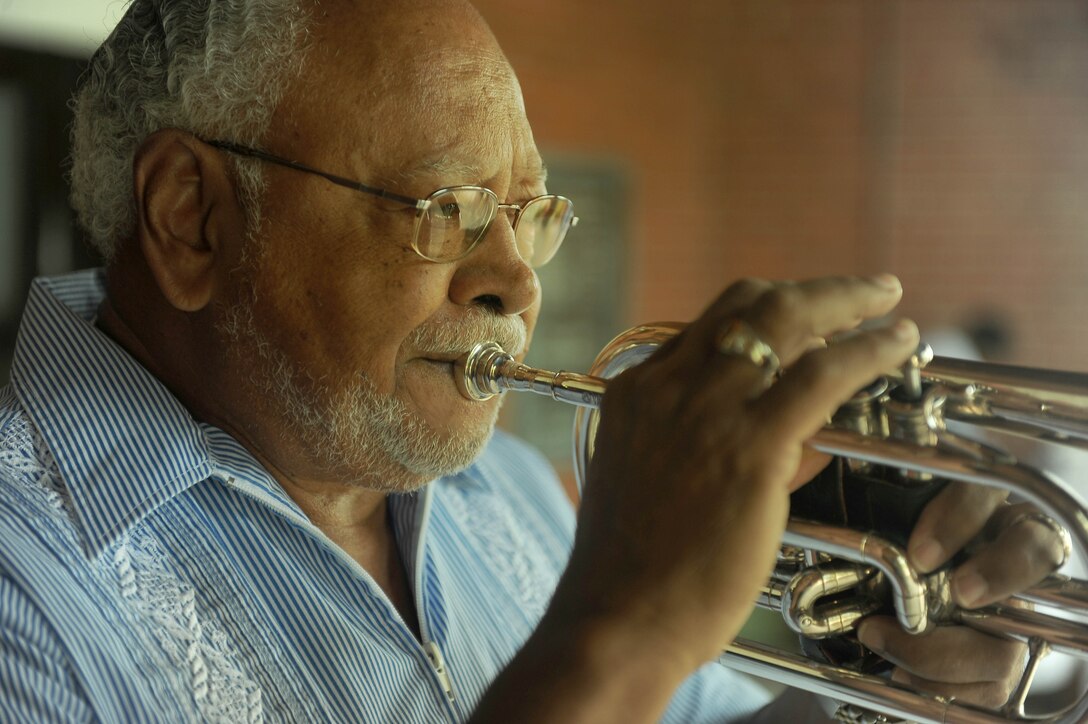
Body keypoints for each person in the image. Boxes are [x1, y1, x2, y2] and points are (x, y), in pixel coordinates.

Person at [0, 1, 1067, 721]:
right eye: (447, 208)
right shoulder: (22, 592)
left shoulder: (501, 486)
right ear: (193, 219)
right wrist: (622, 627)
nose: (518, 280)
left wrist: (879, 684)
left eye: (527, 213)